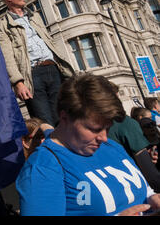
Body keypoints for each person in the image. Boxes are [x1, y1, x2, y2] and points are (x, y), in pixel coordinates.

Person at [16, 74, 160, 216]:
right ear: (65, 117)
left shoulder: (111, 146)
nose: (104, 138)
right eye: (94, 129)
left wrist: (151, 199)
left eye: (108, 128)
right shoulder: (43, 168)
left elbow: (141, 190)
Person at [0, 0, 74, 126]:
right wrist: (18, 82)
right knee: (44, 123)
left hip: (54, 70)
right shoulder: (2, 26)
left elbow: (50, 42)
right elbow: (7, 57)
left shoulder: (35, 16)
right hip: (32, 76)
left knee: (64, 117)